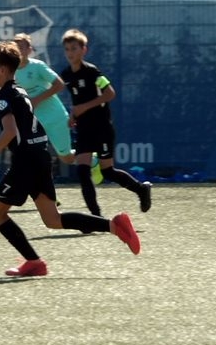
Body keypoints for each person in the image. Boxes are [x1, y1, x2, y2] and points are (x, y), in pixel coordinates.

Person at [0, 40, 140, 276]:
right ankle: (114, 226)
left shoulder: (3, 96)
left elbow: (10, 131)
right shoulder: (21, 91)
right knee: (53, 219)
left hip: (25, 163)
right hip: (40, 157)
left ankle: (34, 262)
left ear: (3, 70)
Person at [59, 28, 152, 216]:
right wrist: (73, 116)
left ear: (84, 50)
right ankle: (96, 215)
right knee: (82, 171)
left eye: (74, 49)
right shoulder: (66, 75)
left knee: (107, 171)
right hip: (84, 129)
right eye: (67, 49)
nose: (70, 53)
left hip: (101, 128)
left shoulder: (92, 72)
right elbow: (77, 100)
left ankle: (141, 189)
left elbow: (110, 93)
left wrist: (84, 107)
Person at [13, 33, 75, 166]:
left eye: (21, 47)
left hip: (55, 118)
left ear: (29, 50)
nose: (18, 51)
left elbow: (60, 84)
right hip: (34, 124)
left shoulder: (38, 66)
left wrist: (36, 100)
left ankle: (93, 160)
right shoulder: (11, 72)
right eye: (15, 48)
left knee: (67, 158)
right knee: (29, 156)